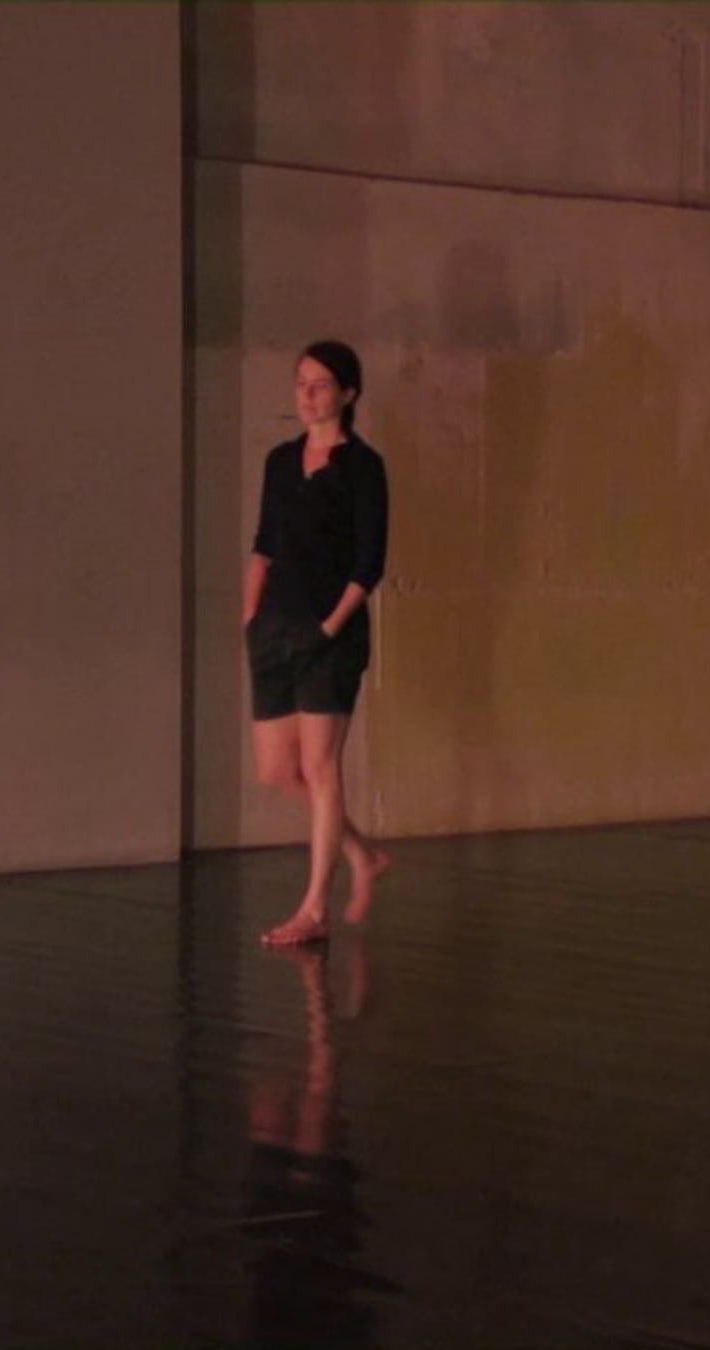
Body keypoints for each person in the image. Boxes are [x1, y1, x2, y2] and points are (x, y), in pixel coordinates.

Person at [245, 340, 393, 947]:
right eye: (300, 382)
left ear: (348, 393)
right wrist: (250, 615)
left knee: (320, 767)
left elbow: (369, 562)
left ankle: (314, 910)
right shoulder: (280, 461)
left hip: (328, 634)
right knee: (277, 770)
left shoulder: (363, 467)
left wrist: (329, 627)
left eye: (320, 384)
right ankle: (360, 853)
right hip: (272, 629)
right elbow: (264, 545)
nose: (307, 394)